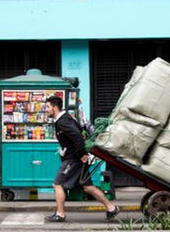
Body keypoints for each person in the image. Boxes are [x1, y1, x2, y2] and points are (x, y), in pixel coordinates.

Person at [44, 94, 119, 222]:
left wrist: (81, 154)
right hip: (75, 158)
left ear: (55, 107)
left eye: (48, 107)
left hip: (73, 159)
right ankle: (111, 208)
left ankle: (60, 214)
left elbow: (78, 136)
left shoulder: (63, 121)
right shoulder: (65, 118)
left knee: (57, 184)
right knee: (87, 186)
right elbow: (79, 132)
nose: (46, 110)